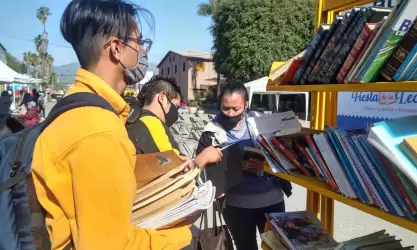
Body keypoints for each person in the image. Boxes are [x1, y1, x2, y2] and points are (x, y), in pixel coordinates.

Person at [31, 1, 192, 249]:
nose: (143, 52)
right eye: (138, 42)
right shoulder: (99, 130)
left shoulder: (77, 108)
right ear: (117, 48)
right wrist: (180, 236)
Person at [196, 83, 289, 250]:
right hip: (236, 208)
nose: (230, 113)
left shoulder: (262, 123)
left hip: (272, 202)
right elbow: (200, 175)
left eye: (236, 109)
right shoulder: (210, 133)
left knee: (277, 247)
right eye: (225, 108)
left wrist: (266, 165)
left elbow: (285, 157)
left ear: (246, 105)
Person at [128, 75, 222, 168]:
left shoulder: (133, 120)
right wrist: (203, 159)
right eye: (176, 106)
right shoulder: (152, 124)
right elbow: (176, 172)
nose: (176, 112)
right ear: (162, 97)